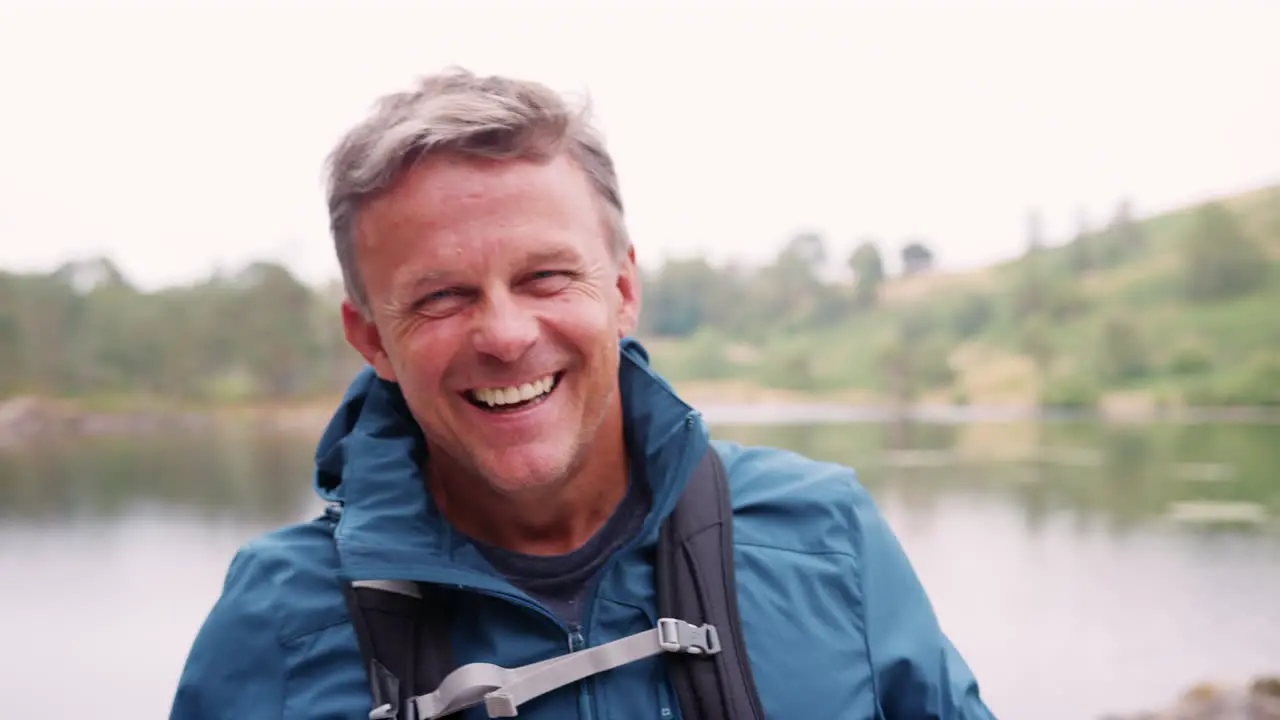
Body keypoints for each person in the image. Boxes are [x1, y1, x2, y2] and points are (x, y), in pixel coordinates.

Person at [169, 68, 997, 720]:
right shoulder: (278, 617)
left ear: (624, 289)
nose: (504, 334)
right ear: (370, 337)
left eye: (546, 277)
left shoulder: (824, 535)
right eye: (440, 297)